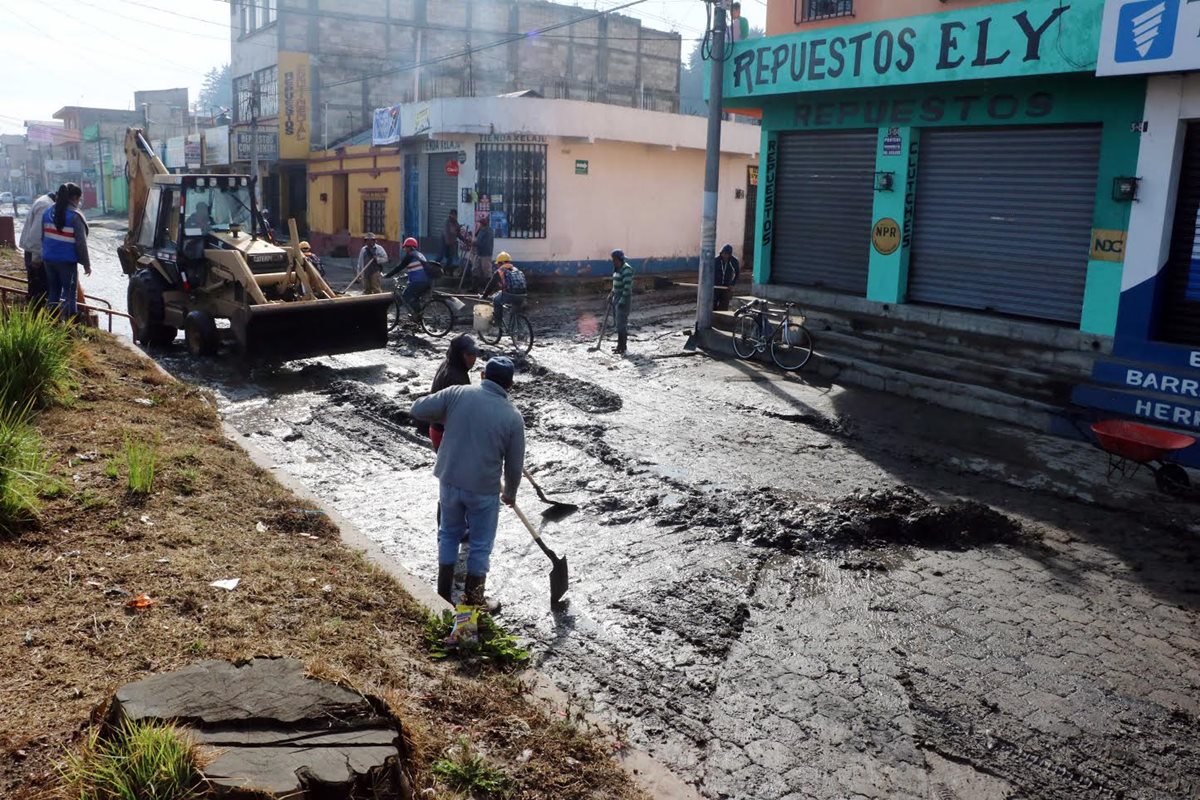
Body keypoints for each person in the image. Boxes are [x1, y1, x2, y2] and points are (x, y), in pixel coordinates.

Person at [411, 356, 525, 610]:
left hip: (449, 480)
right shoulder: (513, 417)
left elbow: (417, 408)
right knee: (480, 545)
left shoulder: (456, 394)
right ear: (510, 385)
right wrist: (512, 494)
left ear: (483, 376)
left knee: (449, 533)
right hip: (483, 489)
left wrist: (446, 417)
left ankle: (442, 595)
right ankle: (473, 603)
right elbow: (514, 465)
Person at [40, 183, 91, 321]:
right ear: (74, 198)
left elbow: (43, 238)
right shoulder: (74, 216)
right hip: (66, 262)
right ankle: (69, 326)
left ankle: (52, 322)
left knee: (54, 291)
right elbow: (81, 243)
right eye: (79, 199)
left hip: (48, 260)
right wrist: (87, 264)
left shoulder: (47, 213)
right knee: (69, 294)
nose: (79, 203)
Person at [428, 334, 478, 452]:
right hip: (444, 434)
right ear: (459, 355)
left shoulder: (449, 364)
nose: (473, 359)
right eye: (469, 355)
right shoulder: (456, 379)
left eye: (474, 354)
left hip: (437, 428)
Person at [19, 189, 55, 307]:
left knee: (37, 289)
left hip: (34, 251)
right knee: (39, 290)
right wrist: (36, 257)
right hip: (36, 253)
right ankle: (37, 319)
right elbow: (37, 234)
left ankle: (36, 317)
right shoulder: (46, 205)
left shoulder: (44, 201)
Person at [480, 252, 527, 331]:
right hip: (522, 295)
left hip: (510, 295)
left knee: (496, 300)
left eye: (498, 263)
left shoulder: (500, 271)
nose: (497, 265)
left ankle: (498, 322)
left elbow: (490, 286)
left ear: (501, 263)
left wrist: (484, 296)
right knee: (516, 312)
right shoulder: (517, 270)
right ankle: (520, 332)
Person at [384, 237, 432, 313]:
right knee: (415, 298)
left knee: (406, 296)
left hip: (418, 282)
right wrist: (405, 276)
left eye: (405, 247)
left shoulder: (410, 255)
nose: (404, 249)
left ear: (410, 247)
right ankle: (418, 316)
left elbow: (399, 267)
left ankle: (419, 314)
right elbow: (417, 269)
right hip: (427, 282)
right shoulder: (420, 255)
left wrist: (388, 275)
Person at [610, 249, 634, 355]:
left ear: (619, 259)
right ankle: (619, 346)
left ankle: (623, 347)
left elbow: (627, 288)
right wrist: (611, 294)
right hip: (616, 298)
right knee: (618, 324)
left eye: (614, 259)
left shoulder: (626, 269)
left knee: (621, 324)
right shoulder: (617, 269)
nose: (613, 261)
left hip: (623, 299)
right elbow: (615, 284)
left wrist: (621, 301)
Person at [714, 243, 740, 311]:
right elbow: (710, 273)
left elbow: (737, 273)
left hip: (726, 287)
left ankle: (721, 319)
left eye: (726, 254)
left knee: (724, 306)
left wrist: (732, 284)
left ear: (730, 254)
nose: (724, 255)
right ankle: (713, 319)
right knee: (712, 304)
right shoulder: (716, 261)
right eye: (723, 253)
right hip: (715, 286)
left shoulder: (733, 261)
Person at [472, 216, 494, 289]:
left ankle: (488, 289)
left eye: (480, 223)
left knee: (487, 272)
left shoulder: (489, 232)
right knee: (475, 269)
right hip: (479, 253)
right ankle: (475, 288)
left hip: (486, 254)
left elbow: (485, 244)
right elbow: (477, 238)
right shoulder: (481, 230)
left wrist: (475, 243)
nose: (479, 225)